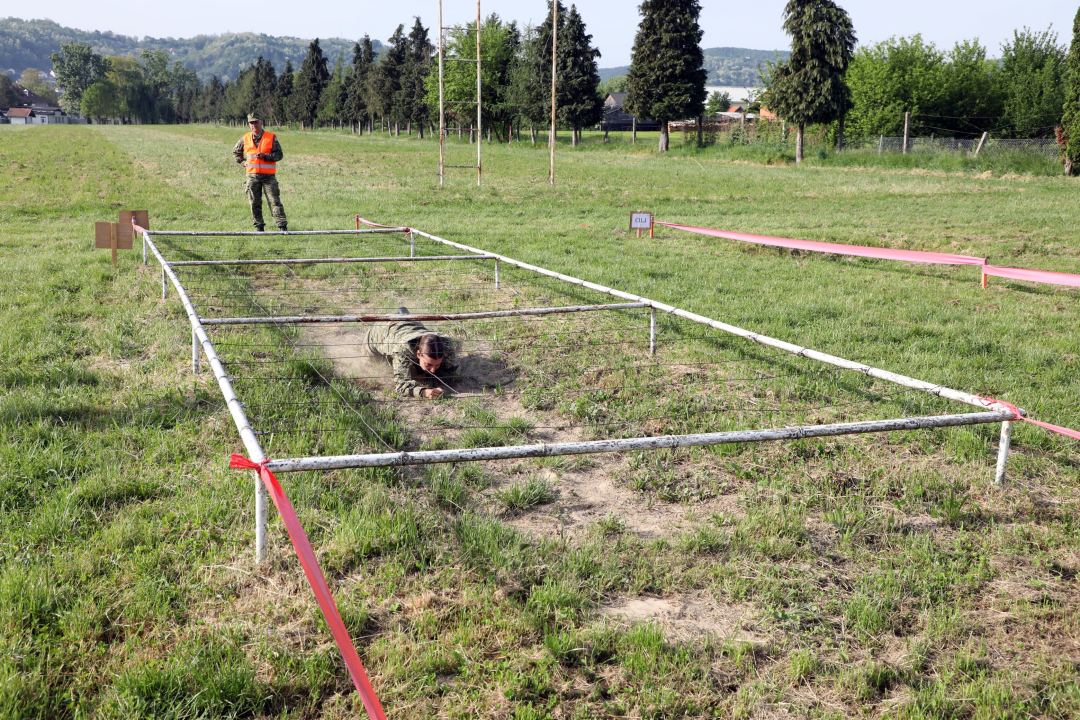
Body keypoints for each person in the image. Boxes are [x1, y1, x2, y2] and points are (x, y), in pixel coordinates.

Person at [362, 311, 459, 398]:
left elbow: (450, 370)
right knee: (374, 361)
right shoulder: (402, 348)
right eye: (429, 364)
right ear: (418, 354)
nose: (433, 370)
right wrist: (424, 392)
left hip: (410, 322)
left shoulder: (446, 343)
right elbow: (401, 385)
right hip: (380, 330)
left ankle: (401, 313)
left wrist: (428, 375)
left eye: (437, 364)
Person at [232, 113, 287, 232]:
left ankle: (282, 227)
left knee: (275, 202)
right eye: (251, 123)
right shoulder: (245, 138)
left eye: (256, 122)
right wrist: (243, 162)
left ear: (261, 123)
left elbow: (279, 155)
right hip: (252, 177)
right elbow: (236, 152)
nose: (254, 125)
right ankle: (259, 227)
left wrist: (266, 156)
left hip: (269, 177)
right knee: (254, 203)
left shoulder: (271, 137)